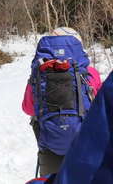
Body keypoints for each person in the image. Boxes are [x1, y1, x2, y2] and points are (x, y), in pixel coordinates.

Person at [22, 27, 102, 177]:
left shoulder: (40, 74)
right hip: (85, 148)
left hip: (50, 148)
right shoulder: (90, 73)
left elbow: (28, 108)